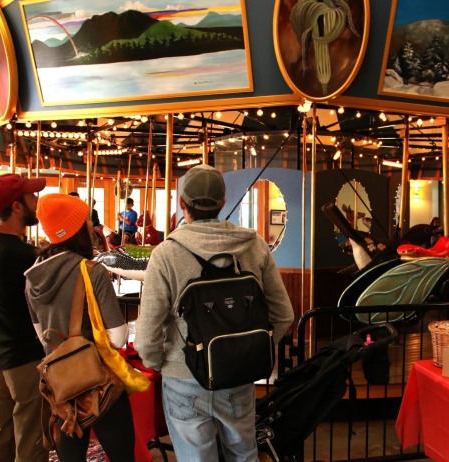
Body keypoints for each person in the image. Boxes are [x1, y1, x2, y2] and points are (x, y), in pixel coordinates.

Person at [135, 165, 294, 462]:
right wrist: (247, 349)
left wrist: (160, 363)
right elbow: (284, 315)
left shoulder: (166, 254)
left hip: (184, 377)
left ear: (183, 203)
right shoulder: (254, 245)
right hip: (239, 375)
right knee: (245, 455)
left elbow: (146, 336)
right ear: (223, 203)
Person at [25, 193, 134, 462]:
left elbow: (42, 335)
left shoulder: (32, 276)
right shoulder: (91, 271)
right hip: (97, 380)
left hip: (60, 386)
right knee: (122, 456)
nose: (90, 225)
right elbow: (118, 337)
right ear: (75, 229)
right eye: (85, 220)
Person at [0, 173, 48, 462]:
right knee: (31, 439)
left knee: (0, 434)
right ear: (17, 206)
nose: (36, 201)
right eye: (31, 196)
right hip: (24, 358)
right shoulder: (25, 255)